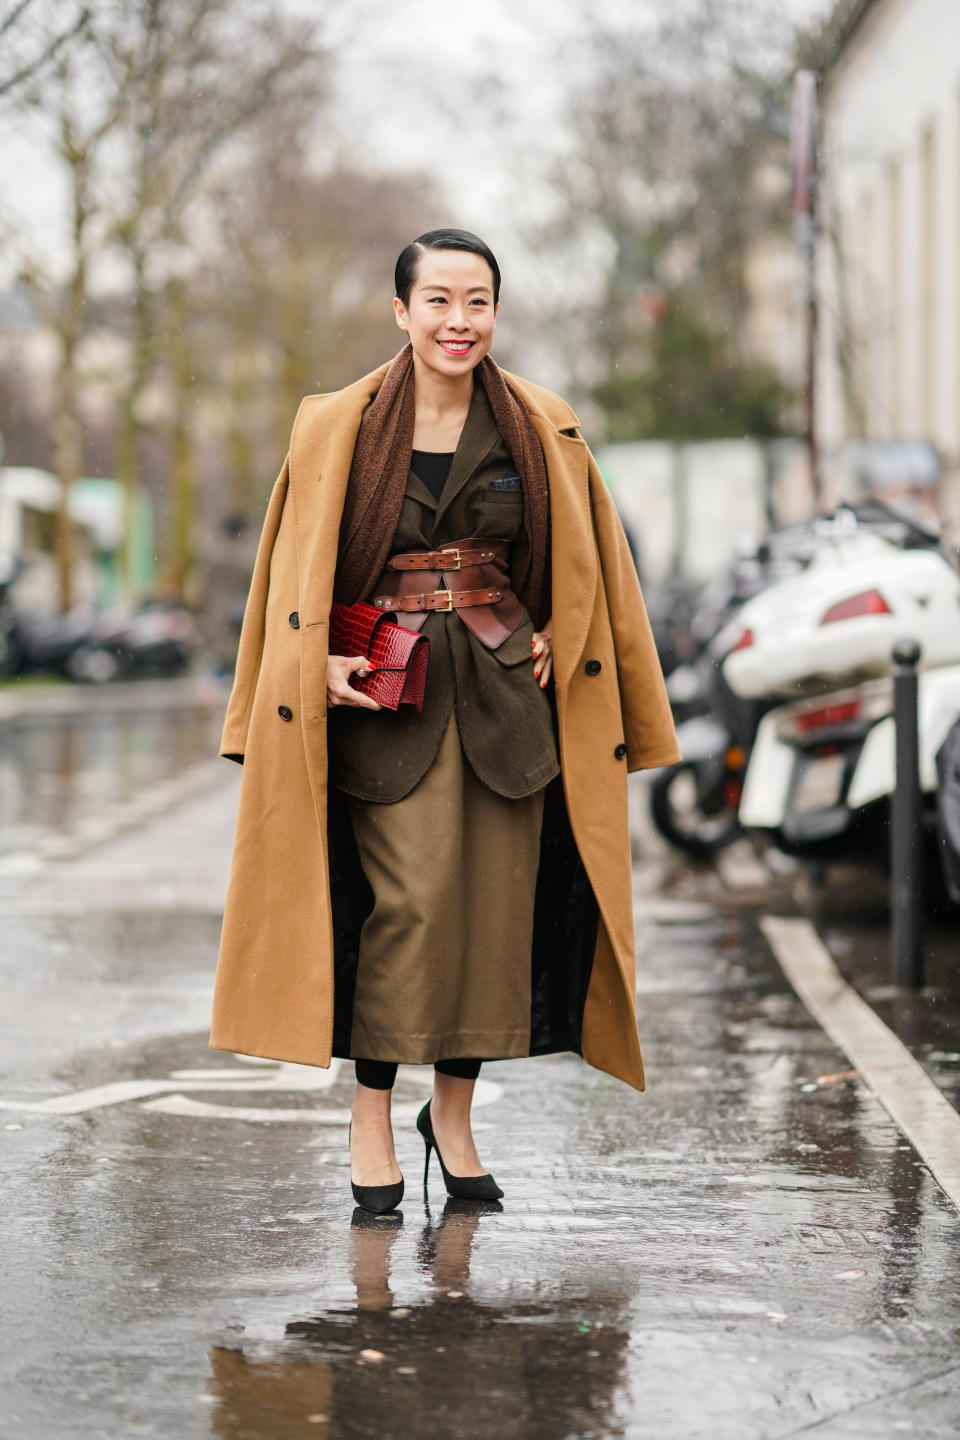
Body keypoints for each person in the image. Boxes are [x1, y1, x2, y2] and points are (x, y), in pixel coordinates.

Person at [209, 228, 682, 1215]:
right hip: (387, 700)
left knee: (492, 921)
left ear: (495, 313)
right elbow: (288, 579)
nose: (458, 321)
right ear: (401, 311)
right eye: (439, 301)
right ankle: (373, 1117)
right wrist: (313, 665)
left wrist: (561, 628)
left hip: (511, 701)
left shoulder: (540, 423)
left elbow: (586, 558)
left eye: (478, 302)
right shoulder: (335, 427)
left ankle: (454, 1121)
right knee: (413, 914)